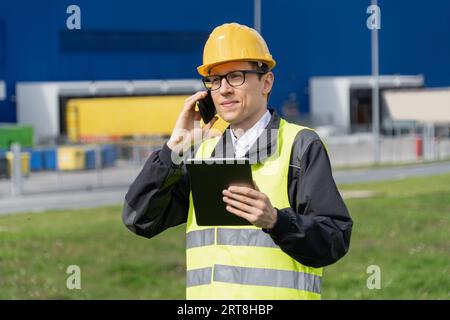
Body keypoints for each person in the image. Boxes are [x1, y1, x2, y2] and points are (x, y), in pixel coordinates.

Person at [122, 22, 352, 300]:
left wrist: (277, 221)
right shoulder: (201, 154)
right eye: (215, 80)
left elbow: (334, 240)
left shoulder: (299, 146)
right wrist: (174, 149)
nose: (223, 90)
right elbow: (139, 219)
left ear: (266, 82)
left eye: (236, 76)